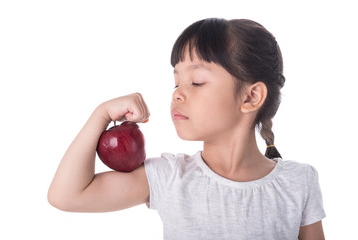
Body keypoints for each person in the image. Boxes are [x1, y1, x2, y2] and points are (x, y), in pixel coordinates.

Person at [48, 18, 326, 239]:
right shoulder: (169, 177)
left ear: (251, 97)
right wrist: (102, 113)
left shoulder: (299, 182)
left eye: (196, 82)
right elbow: (67, 195)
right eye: (176, 82)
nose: (177, 94)